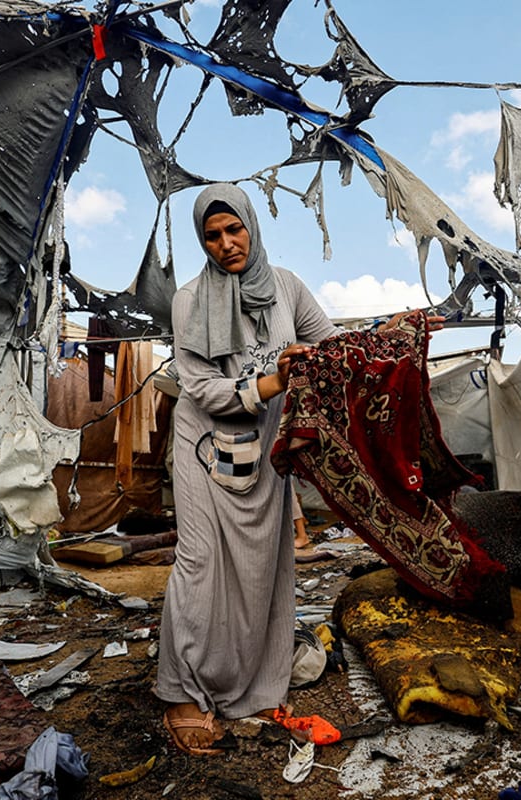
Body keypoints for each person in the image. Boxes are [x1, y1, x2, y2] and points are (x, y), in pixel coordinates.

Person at [154, 183, 339, 755]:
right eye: (212, 235)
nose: (226, 244)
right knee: (200, 563)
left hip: (265, 446)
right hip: (205, 440)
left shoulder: (285, 286)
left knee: (261, 569)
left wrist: (304, 362)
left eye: (235, 230)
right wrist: (275, 379)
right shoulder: (190, 300)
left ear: (252, 227)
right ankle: (181, 692)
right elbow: (203, 388)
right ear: (201, 241)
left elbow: (328, 344)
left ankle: (244, 682)